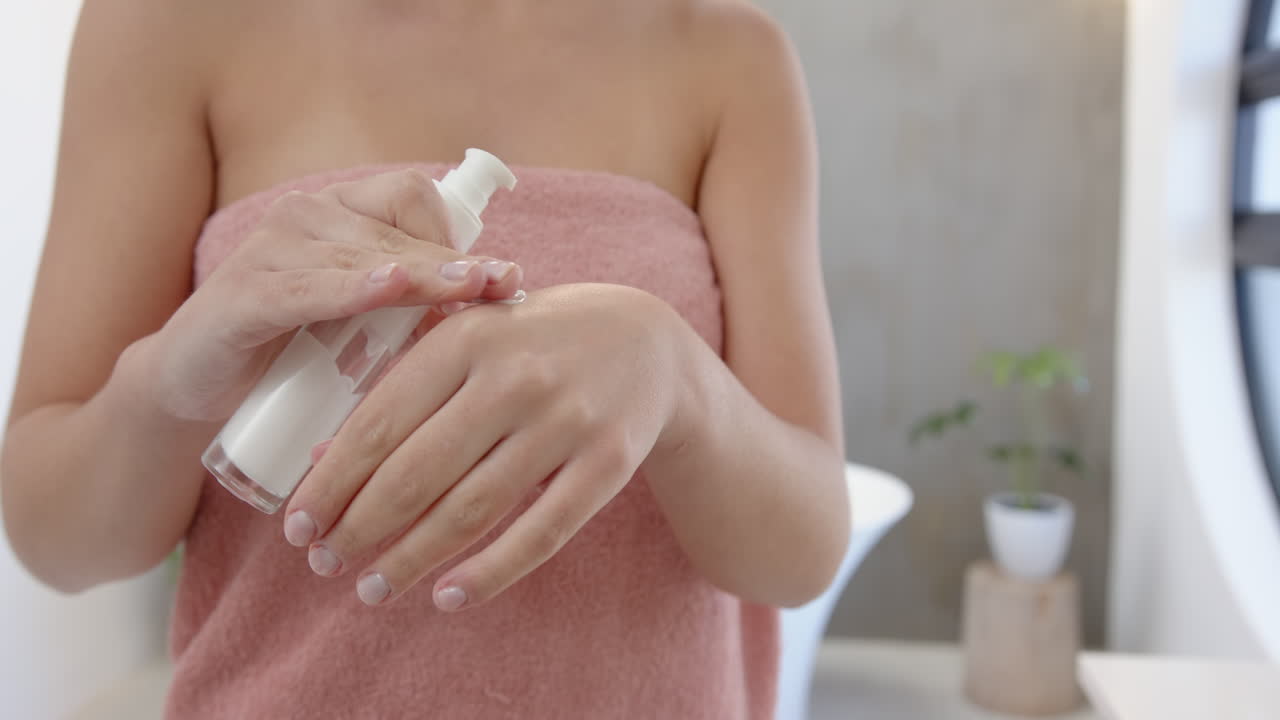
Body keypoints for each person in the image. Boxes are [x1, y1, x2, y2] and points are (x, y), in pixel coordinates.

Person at [2, 1, 849, 717]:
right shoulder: (169, 24)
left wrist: (679, 380)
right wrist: (169, 384)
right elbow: (58, 539)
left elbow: (801, 551)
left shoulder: (724, 51)